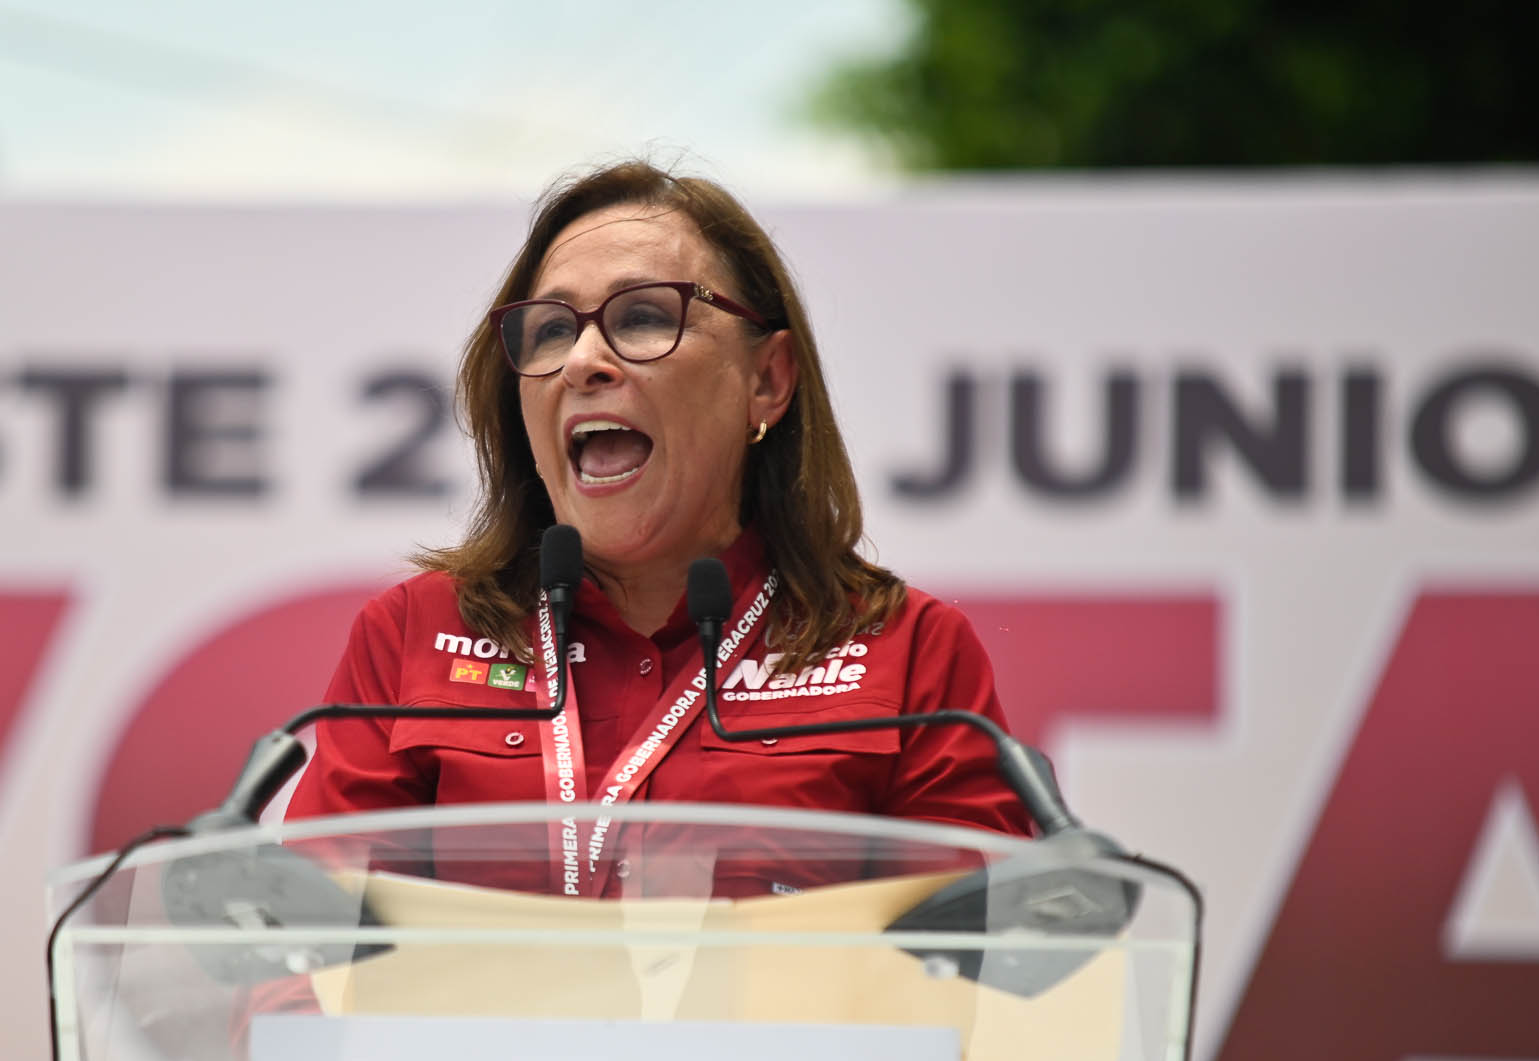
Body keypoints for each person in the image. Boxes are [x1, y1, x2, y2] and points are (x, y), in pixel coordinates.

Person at [284, 159, 1027, 871]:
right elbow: (302, 953)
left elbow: (980, 967)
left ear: (767, 380)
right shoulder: (411, 635)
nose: (581, 361)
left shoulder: (911, 653)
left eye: (641, 317)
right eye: (549, 330)